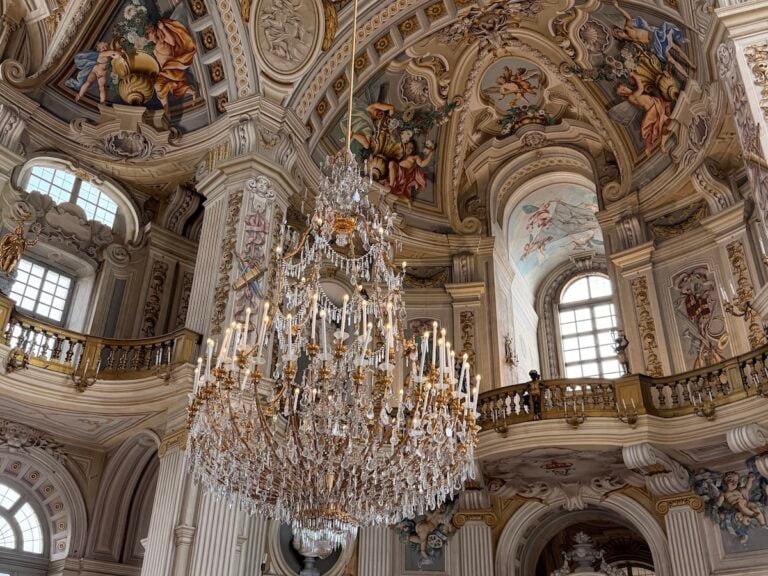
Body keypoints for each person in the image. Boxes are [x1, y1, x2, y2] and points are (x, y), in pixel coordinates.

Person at [611, 0, 695, 79]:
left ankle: (690, 64)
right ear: (618, 38)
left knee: (676, 48)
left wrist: (617, 7)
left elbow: (627, 16)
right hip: (655, 45)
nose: (618, 34)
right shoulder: (630, 42)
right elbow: (640, 49)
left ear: (619, 30)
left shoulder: (628, 28)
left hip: (655, 35)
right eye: (616, 35)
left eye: (617, 32)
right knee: (670, 60)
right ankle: (686, 76)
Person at [146, 20, 198, 113]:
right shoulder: (153, 46)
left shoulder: (162, 38)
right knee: (170, 86)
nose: (148, 36)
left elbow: (173, 42)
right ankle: (167, 108)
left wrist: (163, 28)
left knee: (159, 85)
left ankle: (166, 109)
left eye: (148, 33)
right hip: (166, 69)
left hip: (172, 66)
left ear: (153, 32)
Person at [615, 71, 671, 155]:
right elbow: (641, 88)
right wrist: (634, 75)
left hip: (655, 105)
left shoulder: (632, 94)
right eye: (621, 93)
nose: (624, 91)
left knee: (665, 123)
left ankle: (662, 144)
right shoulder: (631, 97)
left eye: (623, 89)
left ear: (626, 86)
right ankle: (662, 144)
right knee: (666, 121)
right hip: (653, 110)